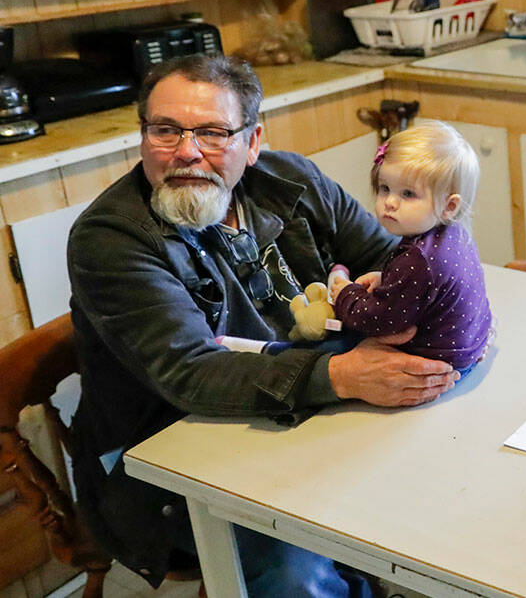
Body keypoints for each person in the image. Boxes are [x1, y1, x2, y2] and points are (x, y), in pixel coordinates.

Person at [68, 54, 462, 597]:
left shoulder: (294, 180)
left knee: (437, 469)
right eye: (165, 130)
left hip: (300, 416)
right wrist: (344, 376)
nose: (186, 151)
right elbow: (191, 374)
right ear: (143, 137)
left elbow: (394, 261)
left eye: (212, 132)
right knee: (295, 574)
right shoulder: (111, 239)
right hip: (170, 456)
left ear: (252, 144)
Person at [329, 122, 493, 372]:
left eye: (408, 194)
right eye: (385, 189)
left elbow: (379, 320)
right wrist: (387, 278)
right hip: (472, 342)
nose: (390, 202)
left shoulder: (417, 258)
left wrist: (346, 295)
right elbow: (427, 285)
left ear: (449, 206)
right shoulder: (453, 233)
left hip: (437, 361)